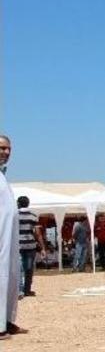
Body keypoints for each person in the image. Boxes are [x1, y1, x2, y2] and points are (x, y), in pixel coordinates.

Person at [0, 134, 26, 340]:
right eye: (2, 148)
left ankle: (6, 320)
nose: (6, 152)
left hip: (9, 240)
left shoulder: (3, 177)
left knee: (10, 276)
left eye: (8, 149)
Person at [17, 196, 46, 297]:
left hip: (18, 246)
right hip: (30, 246)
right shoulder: (33, 216)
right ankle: (27, 290)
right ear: (28, 204)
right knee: (29, 268)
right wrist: (42, 248)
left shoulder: (14, 215)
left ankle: (19, 291)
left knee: (19, 268)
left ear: (18, 204)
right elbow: (37, 233)